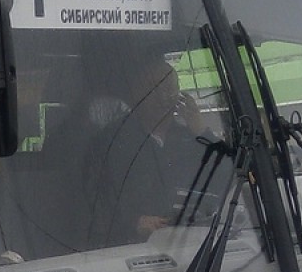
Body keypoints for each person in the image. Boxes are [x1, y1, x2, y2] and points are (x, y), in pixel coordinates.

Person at [84, 54, 210, 248]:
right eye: (155, 89)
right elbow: (92, 202)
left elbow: (225, 180)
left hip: (192, 245)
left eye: (170, 88)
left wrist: (203, 133)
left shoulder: (190, 138)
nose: (164, 97)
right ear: (136, 94)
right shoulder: (109, 143)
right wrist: (134, 222)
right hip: (129, 249)